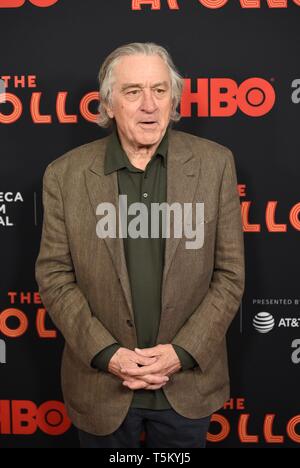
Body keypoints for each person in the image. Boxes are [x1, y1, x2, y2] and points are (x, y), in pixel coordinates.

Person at [35, 42, 245, 448]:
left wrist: (182, 352)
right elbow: (54, 276)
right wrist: (108, 354)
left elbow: (230, 274)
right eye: (133, 92)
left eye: (160, 90)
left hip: (186, 385)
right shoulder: (65, 175)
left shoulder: (215, 163)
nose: (149, 105)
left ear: (174, 99)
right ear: (110, 104)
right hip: (102, 387)